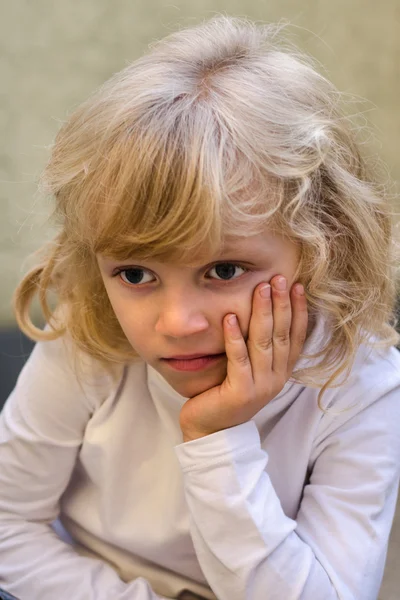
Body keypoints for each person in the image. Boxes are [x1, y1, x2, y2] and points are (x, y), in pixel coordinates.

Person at [0, 14, 399, 600]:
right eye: (135, 273)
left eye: (224, 271)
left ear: (323, 243)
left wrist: (219, 436)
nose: (177, 323)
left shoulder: (360, 385)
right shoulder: (93, 339)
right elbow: (8, 526)